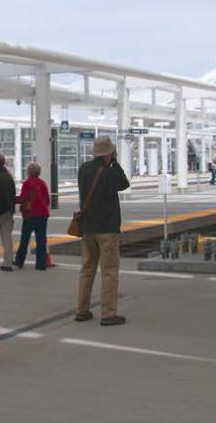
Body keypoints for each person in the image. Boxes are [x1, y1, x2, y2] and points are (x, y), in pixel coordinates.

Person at [75, 136, 130, 326]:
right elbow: (124, 184)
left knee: (87, 269)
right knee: (109, 270)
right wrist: (114, 163)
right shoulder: (110, 172)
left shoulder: (84, 169)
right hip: (107, 228)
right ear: (110, 153)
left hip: (88, 227)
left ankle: (82, 310)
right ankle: (108, 313)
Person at [13, 162, 50, 270]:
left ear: (28, 171)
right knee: (41, 240)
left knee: (25, 239)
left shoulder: (27, 183)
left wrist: (13, 199)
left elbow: (23, 198)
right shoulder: (42, 183)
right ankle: (41, 264)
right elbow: (47, 199)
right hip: (42, 214)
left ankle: (19, 261)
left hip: (30, 214)